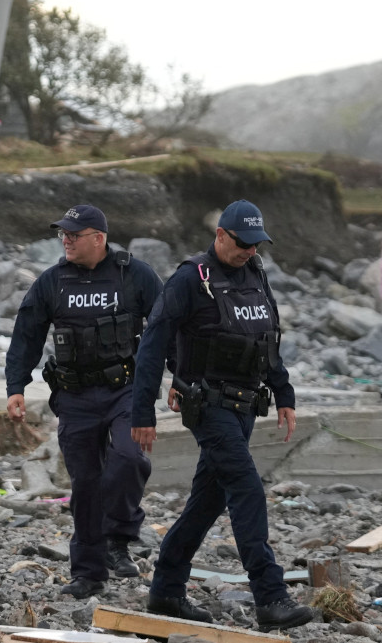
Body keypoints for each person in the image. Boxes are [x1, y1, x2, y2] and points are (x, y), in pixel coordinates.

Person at [130, 200, 313, 632]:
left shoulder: (255, 272)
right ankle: (270, 597)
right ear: (220, 235)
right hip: (207, 405)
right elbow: (153, 343)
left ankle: (166, 591)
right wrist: (143, 412)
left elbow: (267, 339)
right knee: (247, 489)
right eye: (242, 243)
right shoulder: (190, 278)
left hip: (247, 404)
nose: (249, 251)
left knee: (206, 502)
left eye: (256, 244)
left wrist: (284, 392)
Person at [6, 204, 163, 599]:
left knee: (129, 458)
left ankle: (119, 535)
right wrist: (16, 387)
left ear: (99, 238)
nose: (66, 240)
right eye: (63, 234)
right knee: (86, 484)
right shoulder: (52, 281)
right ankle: (88, 573)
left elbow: (166, 329)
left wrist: (179, 377)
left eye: (74, 235)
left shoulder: (135, 275)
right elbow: (26, 333)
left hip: (125, 389)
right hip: (74, 395)